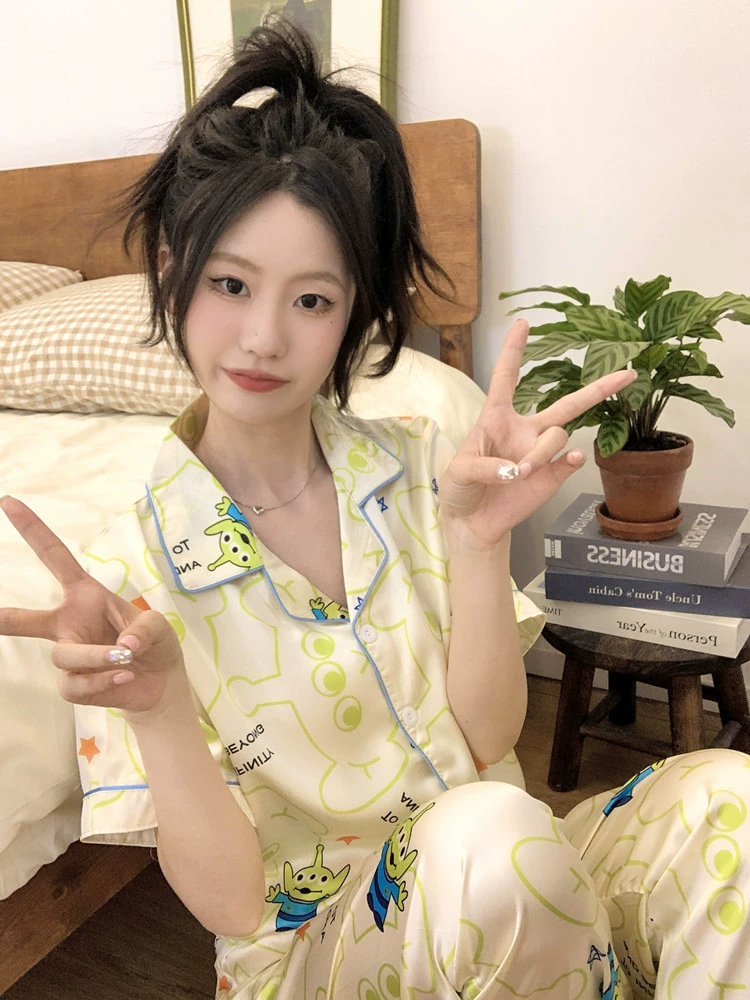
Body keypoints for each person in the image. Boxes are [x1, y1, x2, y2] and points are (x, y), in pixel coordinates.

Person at [1, 20, 749, 1000]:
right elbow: (231, 908)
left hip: (507, 870)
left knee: (728, 803)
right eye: (230, 283)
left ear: (353, 310)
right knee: (495, 848)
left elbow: (486, 742)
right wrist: (163, 710)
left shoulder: (419, 466)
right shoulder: (124, 576)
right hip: (318, 951)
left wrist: (476, 544)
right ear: (175, 273)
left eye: (311, 300)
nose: (263, 336)